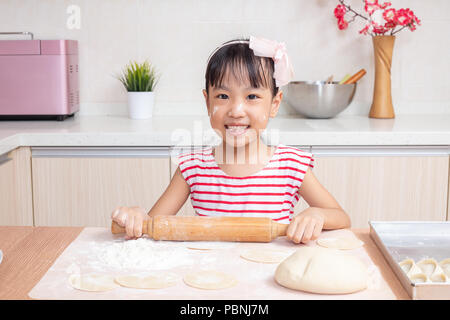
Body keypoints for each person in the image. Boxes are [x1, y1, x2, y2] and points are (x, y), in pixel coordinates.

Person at [111, 36, 351, 243]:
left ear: (274, 104)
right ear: (208, 102)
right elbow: (152, 226)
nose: (236, 110)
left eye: (252, 96)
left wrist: (317, 215)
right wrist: (136, 217)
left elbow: (341, 217)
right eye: (223, 95)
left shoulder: (291, 165)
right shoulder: (192, 167)